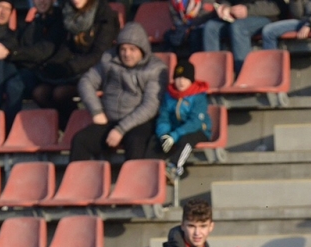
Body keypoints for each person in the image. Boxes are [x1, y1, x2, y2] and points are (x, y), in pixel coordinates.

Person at [72, 22, 168, 162]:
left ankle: (134, 177)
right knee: (81, 140)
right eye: (123, 49)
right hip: (110, 120)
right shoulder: (109, 60)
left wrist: (121, 129)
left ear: (142, 49)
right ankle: (79, 176)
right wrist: (96, 111)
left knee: (135, 141)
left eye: (132, 49)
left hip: (139, 122)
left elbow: (150, 106)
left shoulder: (156, 69)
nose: (126, 54)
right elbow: (86, 81)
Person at [32, 0, 118, 128]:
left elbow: (100, 54)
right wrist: (54, 64)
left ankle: (76, 127)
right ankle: (67, 127)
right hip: (75, 69)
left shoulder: (104, 14)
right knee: (40, 93)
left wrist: (71, 67)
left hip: (98, 70)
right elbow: (67, 47)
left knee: (60, 93)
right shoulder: (69, 12)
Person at [0, 0, 64, 125]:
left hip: (41, 72)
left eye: (7, 9)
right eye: (0, 7)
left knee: (13, 84)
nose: (42, 1)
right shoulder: (33, 23)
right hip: (19, 69)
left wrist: (7, 52)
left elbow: (42, 51)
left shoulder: (58, 21)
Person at [261, 0, 311, 95]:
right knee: (268, 31)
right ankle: (271, 75)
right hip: (306, 20)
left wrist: (309, 24)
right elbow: (298, 15)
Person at [156, 58, 212, 181]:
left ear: (191, 80)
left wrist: (174, 135)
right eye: (178, 78)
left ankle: (174, 167)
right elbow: (164, 117)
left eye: (185, 78)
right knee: (156, 141)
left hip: (198, 130)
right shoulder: (169, 96)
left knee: (186, 140)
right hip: (175, 130)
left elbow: (195, 122)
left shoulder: (198, 97)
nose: (181, 81)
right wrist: (164, 134)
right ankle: (153, 168)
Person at [200, 0, 282, 70]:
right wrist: (225, 7)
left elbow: (277, 7)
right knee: (211, 27)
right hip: (236, 17)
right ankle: (213, 74)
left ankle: (244, 74)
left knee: (238, 27)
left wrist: (248, 10)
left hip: (266, 17)